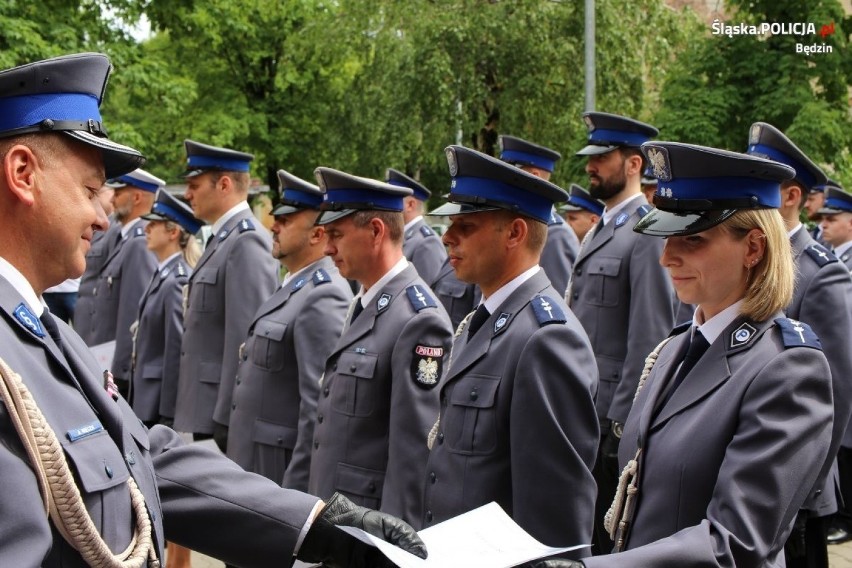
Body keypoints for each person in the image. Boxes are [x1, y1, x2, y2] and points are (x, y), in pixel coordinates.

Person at [0, 52, 426, 568]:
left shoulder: (42, 330)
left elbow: (139, 454)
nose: (99, 217)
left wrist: (314, 524)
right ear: (23, 173)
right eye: (90, 190)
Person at [536, 141, 834, 568]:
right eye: (666, 237)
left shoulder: (787, 368)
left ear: (754, 248)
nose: (667, 257)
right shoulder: (677, 346)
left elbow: (736, 542)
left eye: (692, 239)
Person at [421, 145, 599, 559]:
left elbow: (555, 525)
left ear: (515, 233)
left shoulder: (546, 339)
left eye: (466, 225)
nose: (448, 236)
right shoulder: (483, 320)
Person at [309, 167, 454, 527]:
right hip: (334, 515)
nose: (327, 248)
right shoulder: (364, 303)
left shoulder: (418, 319)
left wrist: (391, 545)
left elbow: (413, 454)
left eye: (337, 235)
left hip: (366, 526)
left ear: (375, 231)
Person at [566, 111, 676, 553]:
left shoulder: (646, 230)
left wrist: (624, 424)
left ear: (633, 165)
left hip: (608, 416)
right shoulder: (601, 228)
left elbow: (650, 335)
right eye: (590, 157)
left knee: (603, 536)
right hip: (582, 405)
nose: (591, 166)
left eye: (602, 158)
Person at [747, 122, 852, 568]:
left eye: (763, 181)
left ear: (791, 197)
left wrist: (807, 478)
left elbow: (837, 391)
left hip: (795, 484)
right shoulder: (747, 257)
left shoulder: (818, 271)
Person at [228, 169, 352, 490]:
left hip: (278, 474)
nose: (274, 226)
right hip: (256, 462)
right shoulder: (294, 285)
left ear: (317, 234)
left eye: (286, 221)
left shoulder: (324, 294)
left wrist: (295, 491)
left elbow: (317, 407)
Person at [174, 139, 279, 452]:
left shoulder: (245, 241)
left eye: (194, 185)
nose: (188, 194)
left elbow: (247, 339)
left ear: (223, 185)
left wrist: (229, 417)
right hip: (207, 407)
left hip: (222, 412)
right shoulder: (225, 237)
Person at [131, 189, 203, 429]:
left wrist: (168, 411)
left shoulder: (177, 280)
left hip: (157, 400)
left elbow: (175, 349)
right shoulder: (163, 273)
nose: (146, 230)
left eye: (154, 225)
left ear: (173, 232)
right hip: (146, 393)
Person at [87, 168, 161, 396]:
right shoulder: (125, 238)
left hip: (117, 366)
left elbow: (132, 313)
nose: (113, 198)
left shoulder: (138, 243)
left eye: (119, 193)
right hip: (107, 356)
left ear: (137, 197)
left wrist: (122, 369)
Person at [499, 134, 580, 295]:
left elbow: (554, 305)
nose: (502, 181)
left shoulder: (556, 234)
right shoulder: (519, 224)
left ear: (533, 178)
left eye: (509, 174)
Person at [817, 185, 852, 545]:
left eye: (832, 218)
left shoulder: (829, 266)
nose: (824, 224)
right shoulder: (824, 256)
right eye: (823, 219)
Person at [74, 182, 121, 342]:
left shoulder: (116, 230)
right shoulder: (92, 224)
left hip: (99, 315)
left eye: (97, 193)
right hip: (84, 311)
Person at [387, 167, 447, 284]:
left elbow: (429, 294)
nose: (386, 204)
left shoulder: (427, 243)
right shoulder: (404, 236)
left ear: (410, 205)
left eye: (392, 200)